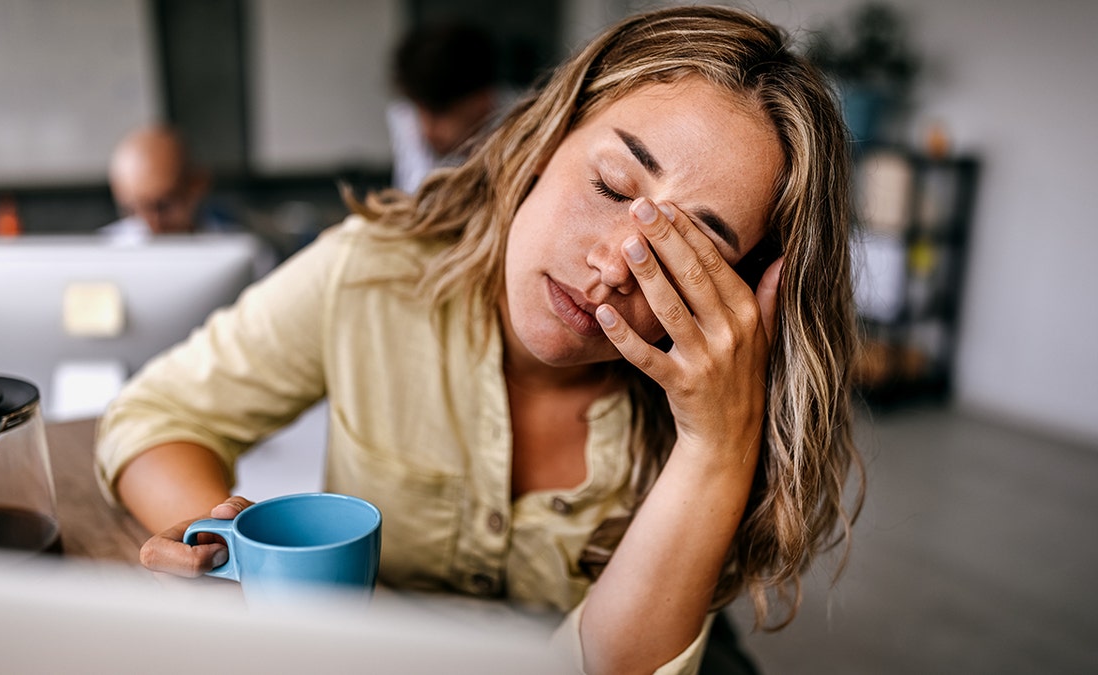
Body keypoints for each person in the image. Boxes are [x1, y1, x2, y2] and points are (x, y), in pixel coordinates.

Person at [96, 6, 862, 674]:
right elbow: (155, 417)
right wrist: (242, 566)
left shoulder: (721, 404)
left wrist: (716, 446)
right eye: (612, 186)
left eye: (690, 251)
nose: (610, 268)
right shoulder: (371, 275)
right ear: (545, 137)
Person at [386, 21, 510, 193]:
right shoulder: (407, 117)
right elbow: (413, 197)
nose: (427, 129)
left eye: (439, 113)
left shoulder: (521, 127)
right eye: (420, 110)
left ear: (483, 100)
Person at [102, 124, 234, 241]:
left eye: (162, 206)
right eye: (132, 210)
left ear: (198, 185)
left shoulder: (236, 244)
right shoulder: (103, 250)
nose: (151, 225)